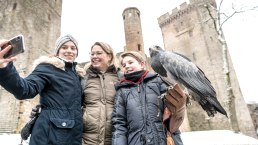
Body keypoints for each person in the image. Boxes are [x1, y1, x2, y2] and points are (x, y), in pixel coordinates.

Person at [0, 34, 85, 145]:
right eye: (64, 47)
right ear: (57, 51)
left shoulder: (78, 75)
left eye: (73, 48)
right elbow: (25, 89)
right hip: (49, 136)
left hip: (72, 136)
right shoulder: (47, 67)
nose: (69, 51)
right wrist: (5, 68)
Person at [112, 51, 186, 145]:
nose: (126, 66)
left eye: (130, 62)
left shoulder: (158, 81)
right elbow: (119, 124)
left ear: (142, 64)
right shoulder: (122, 91)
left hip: (162, 140)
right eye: (124, 65)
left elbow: (174, 111)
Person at [81, 42, 120, 145]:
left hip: (114, 138)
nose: (94, 56)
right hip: (87, 138)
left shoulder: (120, 77)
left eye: (98, 53)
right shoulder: (84, 77)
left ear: (109, 56)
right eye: (92, 54)